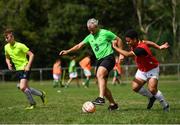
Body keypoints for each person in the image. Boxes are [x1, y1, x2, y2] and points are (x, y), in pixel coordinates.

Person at [59, 18, 123, 111]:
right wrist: (68, 51)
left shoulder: (105, 32)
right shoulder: (89, 37)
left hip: (109, 57)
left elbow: (119, 40)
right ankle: (113, 104)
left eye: (92, 29)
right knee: (102, 85)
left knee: (99, 74)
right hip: (99, 60)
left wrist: (121, 54)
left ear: (96, 27)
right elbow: (79, 46)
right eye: (89, 30)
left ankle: (101, 98)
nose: (91, 32)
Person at [112, 29, 170, 111]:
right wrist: (159, 47)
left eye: (129, 41)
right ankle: (151, 97)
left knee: (152, 89)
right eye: (126, 41)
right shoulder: (139, 43)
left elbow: (128, 54)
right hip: (142, 70)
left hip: (152, 68)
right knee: (135, 87)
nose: (127, 43)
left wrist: (115, 47)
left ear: (135, 39)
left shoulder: (141, 48)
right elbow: (149, 42)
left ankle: (165, 106)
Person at [4, 28, 46, 110]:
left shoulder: (20, 45)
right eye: (5, 38)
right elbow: (7, 57)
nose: (7, 39)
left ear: (12, 37)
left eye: (8, 37)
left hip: (25, 67)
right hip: (18, 69)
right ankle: (41, 94)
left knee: (22, 87)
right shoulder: (6, 47)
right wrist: (8, 63)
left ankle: (32, 103)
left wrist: (28, 66)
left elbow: (31, 55)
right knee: (26, 88)